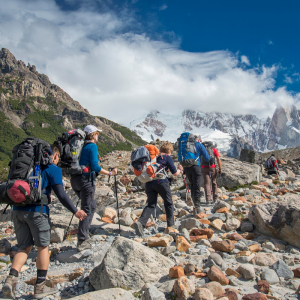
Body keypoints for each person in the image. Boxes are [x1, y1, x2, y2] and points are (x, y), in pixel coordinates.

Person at [2, 144, 87, 300]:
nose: (57, 160)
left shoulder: (24, 168)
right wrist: (75, 211)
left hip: (17, 211)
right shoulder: (52, 169)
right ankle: (39, 288)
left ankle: (10, 280)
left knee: (24, 247)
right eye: (58, 158)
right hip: (37, 212)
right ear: (54, 156)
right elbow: (61, 194)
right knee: (42, 247)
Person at [70, 125, 117, 251]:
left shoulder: (81, 146)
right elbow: (95, 167)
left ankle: (83, 233)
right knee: (88, 208)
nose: (98, 136)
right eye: (97, 134)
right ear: (93, 134)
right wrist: (110, 173)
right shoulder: (92, 146)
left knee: (92, 206)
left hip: (75, 180)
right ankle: (82, 239)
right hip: (86, 180)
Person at [134, 142, 182, 236]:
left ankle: (141, 222)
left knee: (151, 204)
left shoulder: (154, 158)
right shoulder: (167, 157)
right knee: (168, 203)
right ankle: (170, 225)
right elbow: (175, 173)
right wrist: (181, 170)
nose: (171, 153)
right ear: (169, 150)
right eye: (171, 151)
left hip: (149, 183)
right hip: (161, 182)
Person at [182, 134, 210, 214]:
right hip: (196, 167)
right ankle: (197, 207)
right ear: (199, 139)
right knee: (197, 186)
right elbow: (207, 158)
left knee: (192, 186)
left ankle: (195, 205)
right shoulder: (199, 145)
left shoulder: (186, 146)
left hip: (187, 168)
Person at [201, 139, 222, 204]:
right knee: (214, 182)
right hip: (212, 167)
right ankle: (215, 198)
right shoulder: (214, 150)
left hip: (204, 167)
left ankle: (208, 200)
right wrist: (220, 168)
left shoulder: (203, 150)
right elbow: (218, 158)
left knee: (207, 183)